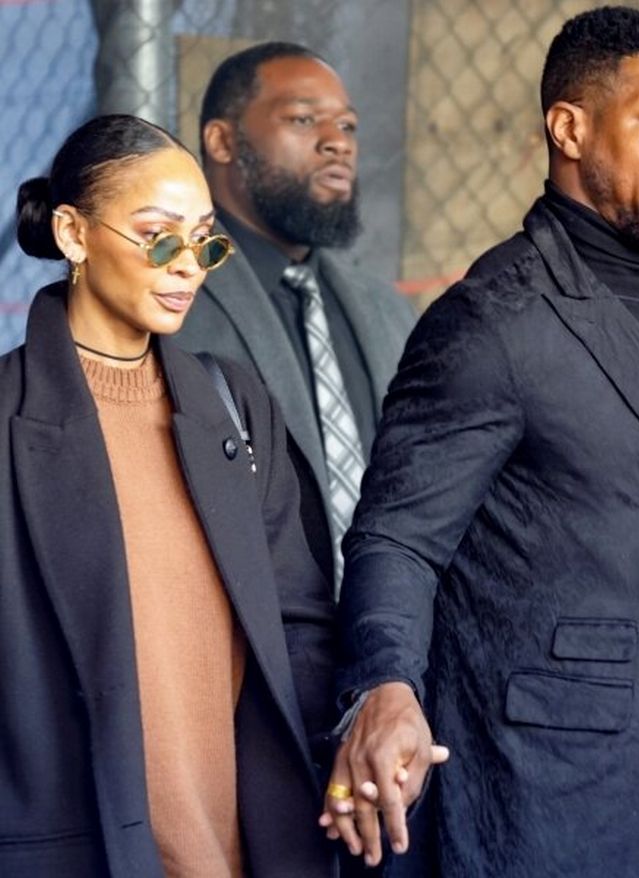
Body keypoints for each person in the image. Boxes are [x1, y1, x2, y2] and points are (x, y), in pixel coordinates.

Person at [321, 7, 639, 877]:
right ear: (570, 128)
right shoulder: (492, 320)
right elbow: (398, 539)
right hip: (551, 796)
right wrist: (384, 685)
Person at [3, 113, 337, 878]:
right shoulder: (8, 422)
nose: (188, 267)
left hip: (246, 852)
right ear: (73, 234)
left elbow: (300, 623)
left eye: (205, 242)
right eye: (158, 238)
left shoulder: (234, 405)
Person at [176, 42, 416, 590]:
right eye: (304, 119)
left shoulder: (385, 310)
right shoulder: (173, 298)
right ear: (222, 141)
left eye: (348, 126)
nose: (338, 142)